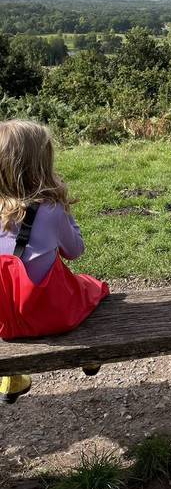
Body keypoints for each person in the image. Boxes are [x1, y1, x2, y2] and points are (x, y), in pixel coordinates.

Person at [0, 119, 109, 404]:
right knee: (92, 287)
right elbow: (75, 251)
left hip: (5, 319)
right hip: (50, 313)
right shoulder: (51, 209)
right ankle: (89, 356)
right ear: (41, 164)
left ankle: (11, 378)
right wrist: (65, 212)